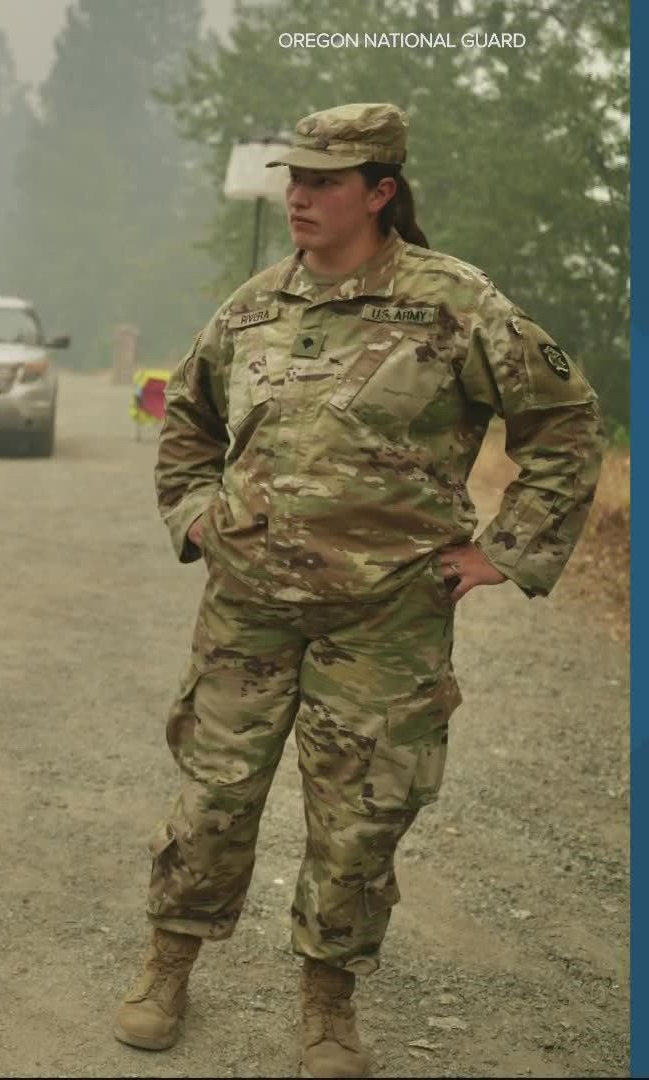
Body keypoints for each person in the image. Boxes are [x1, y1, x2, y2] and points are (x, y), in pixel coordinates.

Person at [114, 103, 605, 1077]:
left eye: (324, 181)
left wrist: (505, 550)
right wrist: (196, 516)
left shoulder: (456, 305)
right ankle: (167, 966)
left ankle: (328, 1006)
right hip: (246, 614)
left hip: (384, 627)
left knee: (359, 820)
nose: (299, 195)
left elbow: (567, 422)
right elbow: (188, 424)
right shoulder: (251, 308)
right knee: (212, 802)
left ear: (382, 191)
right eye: (294, 177)